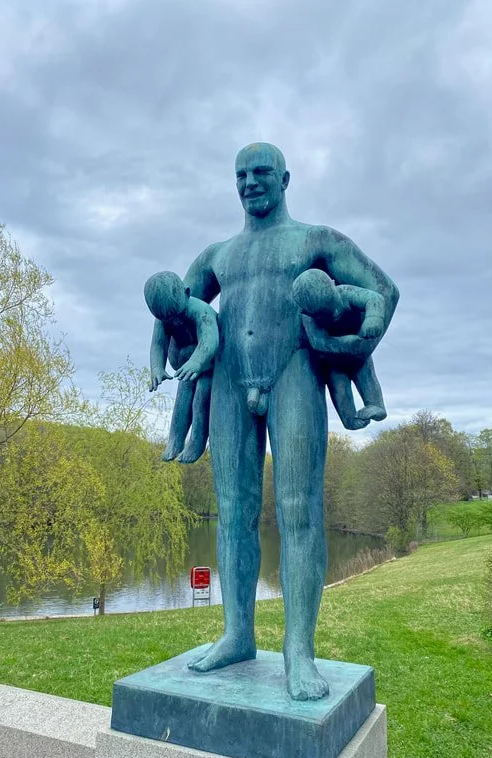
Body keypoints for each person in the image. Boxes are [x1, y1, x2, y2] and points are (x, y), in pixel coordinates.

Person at [183, 142, 398, 700]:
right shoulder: (217, 255)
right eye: (240, 175)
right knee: (232, 511)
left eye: (261, 173)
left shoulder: (315, 240)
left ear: (285, 178)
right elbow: (183, 310)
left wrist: (354, 341)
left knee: (299, 509)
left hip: (294, 373)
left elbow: (383, 291)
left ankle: (298, 652)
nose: (250, 182)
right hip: (231, 380)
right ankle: (236, 634)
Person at [292, 268, 387, 430]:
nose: (334, 314)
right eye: (325, 313)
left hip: (358, 355)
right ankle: (350, 419)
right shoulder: (308, 317)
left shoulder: (346, 292)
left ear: (334, 286)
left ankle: (375, 405)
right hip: (334, 360)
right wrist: (350, 344)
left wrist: (374, 318)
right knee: (340, 389)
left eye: (334, 306)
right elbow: (318, 342)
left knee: (366, 375)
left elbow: (374, 298)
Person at [144, 270, 218, 463]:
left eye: (177, 315)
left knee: (201, 400)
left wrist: (196, 362)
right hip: (185, 365)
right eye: (168, 320)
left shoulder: (201, 311)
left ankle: (197, 441)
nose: (174, 322)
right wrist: (157, 368)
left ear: (187, 293)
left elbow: (210, 341)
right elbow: (158, 344)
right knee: (182, 402)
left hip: (207, 364)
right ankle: (175, 441)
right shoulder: (163, 318)